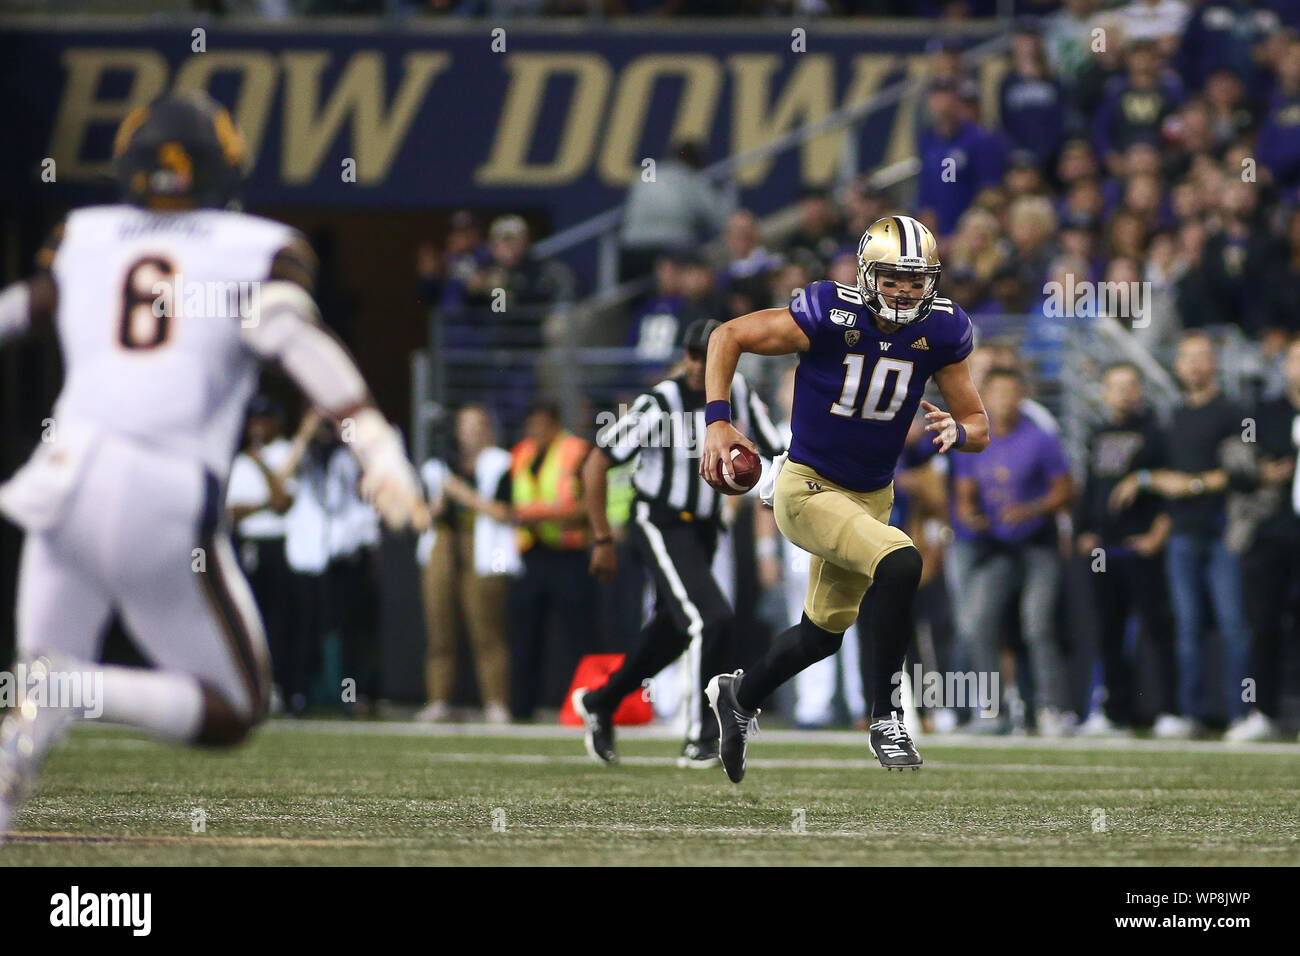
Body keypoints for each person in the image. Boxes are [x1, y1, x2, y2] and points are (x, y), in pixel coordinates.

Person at [0, 92, 427, 839]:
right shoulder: (255, 246)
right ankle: (73, 689)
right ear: (225, 168)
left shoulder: (86, 235)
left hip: (58, 482)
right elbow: (288, 335)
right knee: (233, 707)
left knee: (30, 710)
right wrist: (373, 438)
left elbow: (21, 309)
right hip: (159, 487)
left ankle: (48, 712)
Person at [699, 215, 989, 782]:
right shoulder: (830, 314)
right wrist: (717, 422)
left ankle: (739, 695)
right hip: (807, 487)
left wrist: (962, 431)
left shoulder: (945, 331)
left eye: (916, 278)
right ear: (866, 273)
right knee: (903, 560)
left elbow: (978, 421)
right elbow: (726, 335)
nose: (905, 290)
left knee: (821, 635)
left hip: (871, 497)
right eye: (893, 277)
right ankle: (886, 717)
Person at [574, 319, 785, 768]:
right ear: (683, 357)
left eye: (708, 357)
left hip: (706, 527)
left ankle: (602, 702)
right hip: (661, 522)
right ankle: (701, 736)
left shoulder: (739, 391)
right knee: (712, 618)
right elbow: (597, 462)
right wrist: (601, 538)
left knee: (670, 631)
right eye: (693, 356)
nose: (698, 366)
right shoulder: (659, 402)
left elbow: (775, 446)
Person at [1110, 331, 1251, 737]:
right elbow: (1159, 474)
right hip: (1182, 532)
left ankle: (1243, 714)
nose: (1194, 365)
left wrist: (1191, 484)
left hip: (1225, 529)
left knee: (1233, 624)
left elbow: (1245, 471)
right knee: (1186, 627)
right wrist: (1150, 478)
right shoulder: (1173, 417)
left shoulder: (1235, 412)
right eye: (1187, 357)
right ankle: (1189, 713)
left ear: (1215, 362)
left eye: (1202, 356)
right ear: (1177, 366)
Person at [953, 367, 1076, 736]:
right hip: (997, 546)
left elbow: (1066, 491)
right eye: (998, 393)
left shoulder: (1041, 438)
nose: (1005, 400)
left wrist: (1032, 509)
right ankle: (992, 712)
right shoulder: (974, 439)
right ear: (985, 398)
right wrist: (970, 515)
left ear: (1022, 396)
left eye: (1012, 392)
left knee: (1037, 624)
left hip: (1038, 543)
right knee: (977, 622)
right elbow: (963, 494)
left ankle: (1052, 709)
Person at [1074, 363, 1176, 736]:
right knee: (1108, 631)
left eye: (1131, 385)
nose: (1123, 393)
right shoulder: (1097, 434)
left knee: (1157, 628)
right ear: (1104, 392)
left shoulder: (1157, 433)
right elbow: (1090, 485)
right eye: (1115, 386)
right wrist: (1084, 530)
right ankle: (1115, 711)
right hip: (1104, 549)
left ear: (1141, 390)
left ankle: (1169, 710)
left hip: (1142, 546)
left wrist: (1157, 536)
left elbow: (1170, 491)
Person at [416, 404, 518, 724]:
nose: (471, 433)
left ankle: (496, 701)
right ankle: (438, 699)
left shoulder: (502, 463)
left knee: (487, 626)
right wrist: (439, 503)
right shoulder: (436, 468)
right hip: (444, 543)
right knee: (439, 625)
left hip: (487, 549)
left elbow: (506, 512)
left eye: (478, 425)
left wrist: (464, 495)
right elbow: (420, 519)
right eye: (465, 425)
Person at [507, 403, 594, 721]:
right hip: (531, 553)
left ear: (555, 424)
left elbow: (587, 504)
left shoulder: (576, 451)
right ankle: (521, 707)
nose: (535, 433)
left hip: (568, 553)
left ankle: (582, 704)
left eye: (541, 425)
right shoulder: (520, 454)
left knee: (577, 634)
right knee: (525, 634)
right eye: (531, 426)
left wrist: (539, 514)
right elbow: (510, 501)